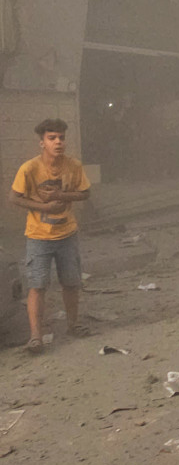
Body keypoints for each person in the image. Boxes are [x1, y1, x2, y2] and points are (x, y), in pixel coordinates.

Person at [9, 119, 92, 353]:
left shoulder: (74, 166)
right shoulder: (29, 168)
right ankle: (36, 337)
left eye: (61, 138)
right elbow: (14, 198)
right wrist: (43, 207)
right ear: (42, 143)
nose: (58, 142)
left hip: (67, 234)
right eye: (52, 138)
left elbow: (85, 193)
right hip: (38, 236)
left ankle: (74, 325)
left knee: (71, 282)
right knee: (37, 286)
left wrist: (62, 195)